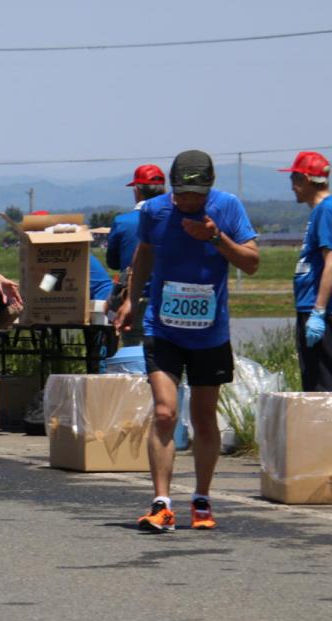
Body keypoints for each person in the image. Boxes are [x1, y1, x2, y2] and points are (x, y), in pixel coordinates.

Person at [114, 149, 259, 532]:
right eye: (179, 194)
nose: (185, 202)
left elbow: (251, 262)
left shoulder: (227, 208)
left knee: (204, 417)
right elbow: (144, 253)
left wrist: (216, 237)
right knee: (165, 412)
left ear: (208, 190)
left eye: (194, 196)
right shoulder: (155, 212)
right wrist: (132, 298)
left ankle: (202, 499)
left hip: (210, 332)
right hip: (163, 328)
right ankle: (161, 503)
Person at [280, 151, 332, 391]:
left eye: (294, 179)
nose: (292, 187)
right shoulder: (319, 212)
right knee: (314, 382)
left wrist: (319, 311)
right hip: (309, 307)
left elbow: (331, 260)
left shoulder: (326, 210)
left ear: (306, 179)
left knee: (321, 389)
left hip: (319, 310)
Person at [107, 165, 165, 342]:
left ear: (137, 190)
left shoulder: (122, 222)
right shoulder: (171, 220)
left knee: (133, 344)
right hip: (167, 296)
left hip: (134, 297)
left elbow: (113, 262)